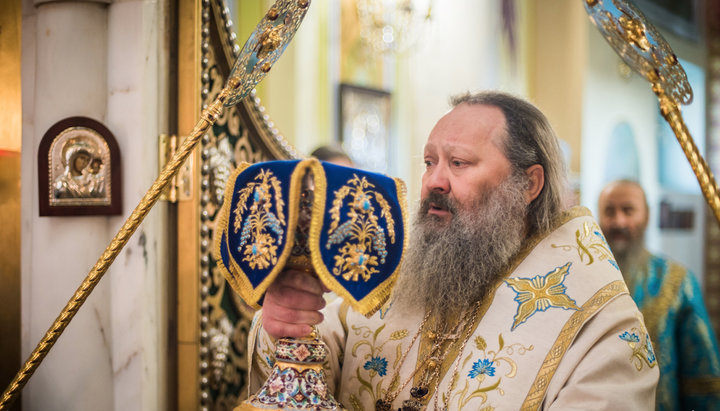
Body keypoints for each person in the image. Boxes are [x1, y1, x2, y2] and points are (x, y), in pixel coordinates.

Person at [247, 91, 658, 409]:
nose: (433, 182)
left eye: (458, 163)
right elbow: (313, 364)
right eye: (429, 162)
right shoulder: (399, 276)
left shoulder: (599, 323)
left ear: (529, 185)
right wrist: (287, 324)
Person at [598, 179, 720, 410]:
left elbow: (703, 378)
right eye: (609, 211)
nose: (619, 221)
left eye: (628, 210)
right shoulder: (585, 281)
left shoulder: (677, 281)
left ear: (646, 216)